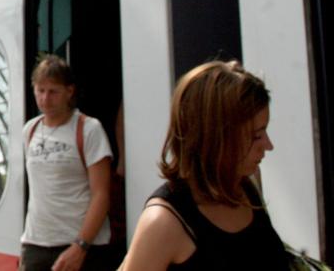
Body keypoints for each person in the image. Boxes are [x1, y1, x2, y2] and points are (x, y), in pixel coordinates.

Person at [118, 61, 288, 270]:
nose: (269, 145)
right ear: (215, 138)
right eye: (256, 136)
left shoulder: (248, 183)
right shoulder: (163, 222)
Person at [21, 55, 115, 271]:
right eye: (40, 90)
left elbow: (101, 194)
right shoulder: (30, 130)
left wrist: (81, 245)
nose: (45, 99)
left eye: (53, 92)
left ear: (69, 91)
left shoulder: (89, 129)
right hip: (36, 244)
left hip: (81, 245)